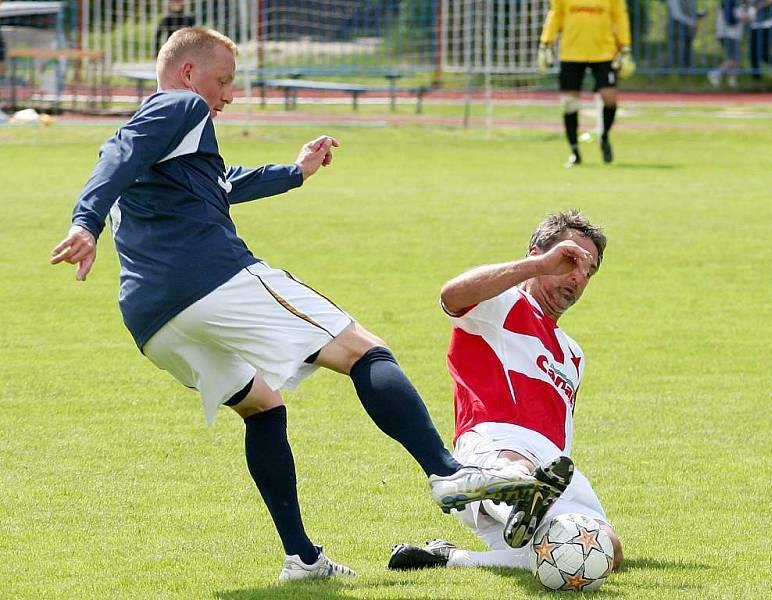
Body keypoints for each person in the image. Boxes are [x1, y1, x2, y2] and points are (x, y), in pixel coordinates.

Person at [50, 27, 539, 582]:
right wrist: (85, 222)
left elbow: (219, 184)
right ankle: (448, 472)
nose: (228, 95)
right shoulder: (179, 105)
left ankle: (303, 560)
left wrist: (296, 172)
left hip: (152, 322)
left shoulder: (169, 140)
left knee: (263, 405)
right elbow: (118, 150)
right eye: (224, 80)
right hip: (209, 279)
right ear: (188, 74)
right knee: (364, 351)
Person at [388, 210, 623, 576]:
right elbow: (452, 294)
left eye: (588, 272)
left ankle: (448, 557)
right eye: (569, 261)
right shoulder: (500, 304)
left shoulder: (573, 353)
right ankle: (518, 497)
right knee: (517, 468)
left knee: (601, 552)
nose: (577, 277)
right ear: (538, 253)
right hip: (494, 443)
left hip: (552, 467)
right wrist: (536, 266)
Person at [538, 0, 636, 168]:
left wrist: (625, 47)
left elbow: (620, 16)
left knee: (610, 97)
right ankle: (575, 152)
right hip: (572, 52)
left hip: (604, 52)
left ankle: (604, 136)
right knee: (570, 104)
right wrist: (545, 44)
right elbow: (556, 14)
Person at [709, 0, 746, 87]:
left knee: (734, 58)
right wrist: (742, 18)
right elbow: (730, 19)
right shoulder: (729, 2)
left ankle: (732, 80)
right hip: (728, 34)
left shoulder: (737, 3)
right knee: (734, 58)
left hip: (732, 34)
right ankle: (716, 73)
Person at [747, 0, 772, 79]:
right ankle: (756, 79)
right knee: (752, 54)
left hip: (767, 24)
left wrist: (759, 6)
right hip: (755, 24)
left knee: (763, 54)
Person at [667, 0, 705, 69]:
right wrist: (692, 23)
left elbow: (689, 11)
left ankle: (687, 73)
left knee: (687, 52)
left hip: (687, 30)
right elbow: (677, 14)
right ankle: (671, 72)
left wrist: (699, 14)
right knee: (675, 53)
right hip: (676, 30)